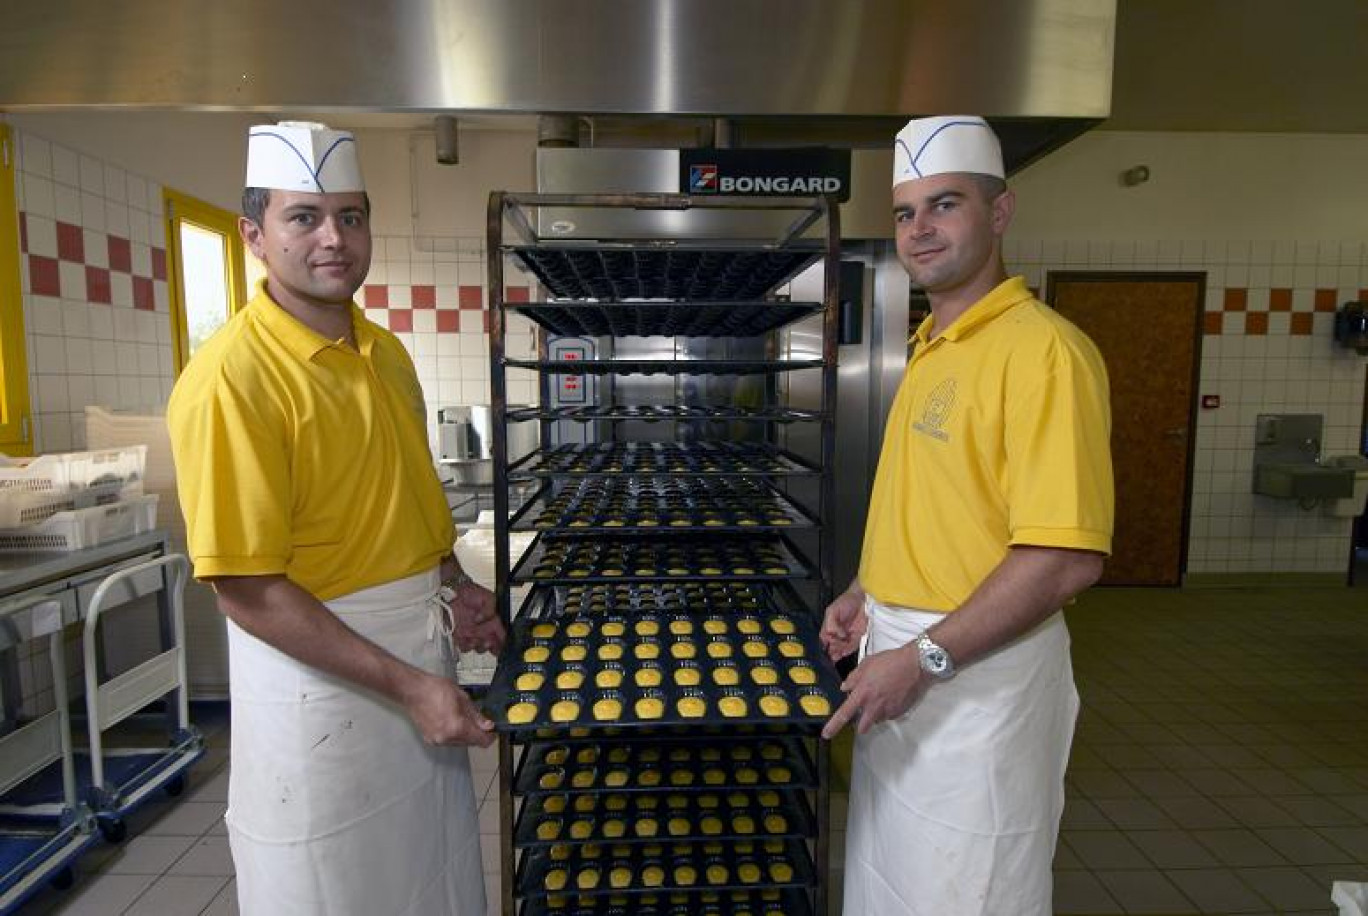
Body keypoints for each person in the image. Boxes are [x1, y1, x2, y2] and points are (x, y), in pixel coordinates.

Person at [167, 121, 503, 916]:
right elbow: (246, 590)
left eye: (351, 217)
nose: (333, 239)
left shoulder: (383, 352)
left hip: (415, 658)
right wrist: (411, 688)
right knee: (337, 889)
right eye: (304, 217)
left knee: (427, 878)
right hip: (322, 690)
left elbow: (402, 492)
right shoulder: (232, 379)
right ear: (253, 235)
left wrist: (455, 584)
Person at [819, 115, 1115, 915]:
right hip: (906, 663)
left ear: (1000, 213)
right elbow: (944, 505)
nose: (921, 230)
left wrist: (923, 659)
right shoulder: (933, 345)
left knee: (968, 893)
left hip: (977, 688)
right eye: (907, 212)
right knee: (894, 887)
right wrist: (864, 590)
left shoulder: (1043, 353)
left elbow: (1063, 557)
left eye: (945, 205)